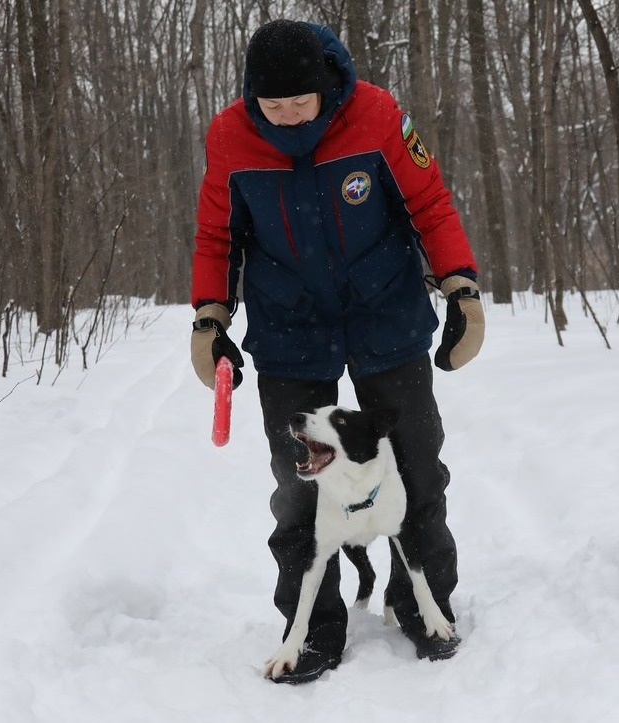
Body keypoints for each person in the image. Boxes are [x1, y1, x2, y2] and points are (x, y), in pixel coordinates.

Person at [189, 18, 485, 684]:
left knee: (415, 468)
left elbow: (429, 203)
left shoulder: (376, 116)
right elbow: (216, 236)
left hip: (385, 312)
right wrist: (210, 315)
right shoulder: (229, 137)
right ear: (251, 95)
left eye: (300, 102)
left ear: (325, 86)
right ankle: (312, 628)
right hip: (290, 327)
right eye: (274, 105)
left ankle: (423, 603)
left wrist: (459, 284)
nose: (289, 115)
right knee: (300, 489)